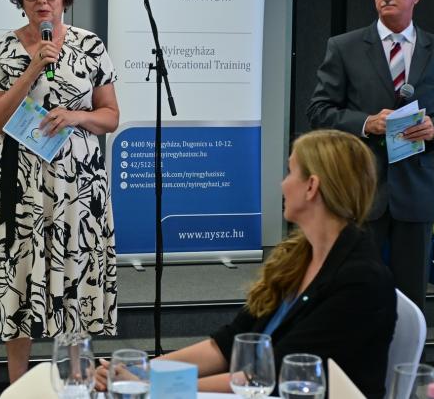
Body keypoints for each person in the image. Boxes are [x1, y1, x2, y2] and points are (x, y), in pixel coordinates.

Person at [96, 130, 397, 398]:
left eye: (290, 172)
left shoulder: (361, 281)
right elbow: (228, 344)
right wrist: (142, 371)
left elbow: (270, 376)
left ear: (311, 187)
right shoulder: (297, 256)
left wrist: (155, 386)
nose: (282, 184)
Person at [0, 0, 120, 383]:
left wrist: (75, 116)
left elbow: (110, 116)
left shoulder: (90, 45)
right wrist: (33, 66)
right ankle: (18, 385)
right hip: (18, 180)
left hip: (77, 183)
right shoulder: (3, 48)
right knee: (17, 278)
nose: (42, 1)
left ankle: (76, 381)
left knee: (73, 274)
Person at [307, 0, 434, 309]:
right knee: (356, 295)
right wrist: (366, 123)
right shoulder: (343, 48)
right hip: (361, 191)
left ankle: (409, 350)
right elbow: (318, 110)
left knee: (411, 300)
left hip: (416, 193)